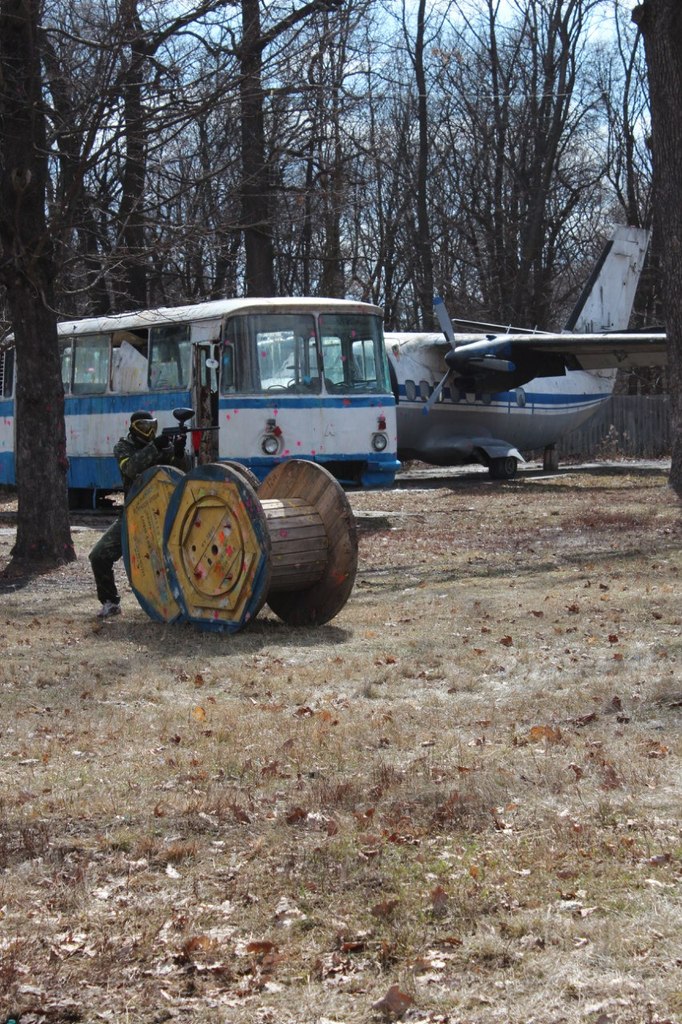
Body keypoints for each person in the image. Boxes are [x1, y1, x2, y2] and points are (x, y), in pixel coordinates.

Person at [89, 410, 190, 618]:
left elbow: (181, 473)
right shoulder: (123, 447)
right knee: (99, 555)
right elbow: (131, 469)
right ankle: (110, 602)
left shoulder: (163, 448)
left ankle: (184, 601)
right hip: (133, 514)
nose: (149, 431)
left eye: (152, 426)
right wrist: (156, 446)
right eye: (144, 427)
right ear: (133, 428)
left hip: (164, 513)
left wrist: (178, 452)